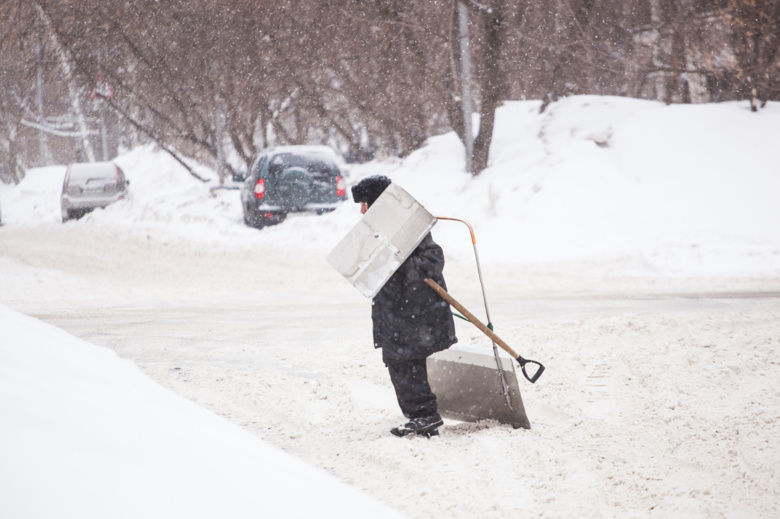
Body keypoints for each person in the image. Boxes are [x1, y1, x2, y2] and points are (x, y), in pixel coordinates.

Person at [351, 175, 458, 437]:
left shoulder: (408, 227)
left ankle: (425, 415)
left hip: (412, 309)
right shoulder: (381, 229)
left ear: (378, 201)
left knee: (405, 358)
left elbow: (432, 259)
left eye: (365, 203)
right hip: (396, 309)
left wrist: (400, 271)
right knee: (399, 359)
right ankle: (421, 415)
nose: (361, 210)